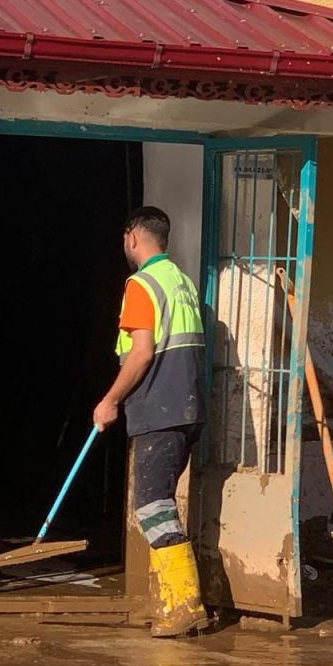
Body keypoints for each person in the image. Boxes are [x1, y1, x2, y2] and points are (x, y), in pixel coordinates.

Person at [93, 206, 208, 637]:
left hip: (160, 408)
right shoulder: (183, 283)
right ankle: (169, 601)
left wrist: (110, 400)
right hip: (187, 407)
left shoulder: (141, 284)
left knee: (153, 508)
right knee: (159, 502)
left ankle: (184, 605)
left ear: (132, 238)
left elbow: (141, 352)